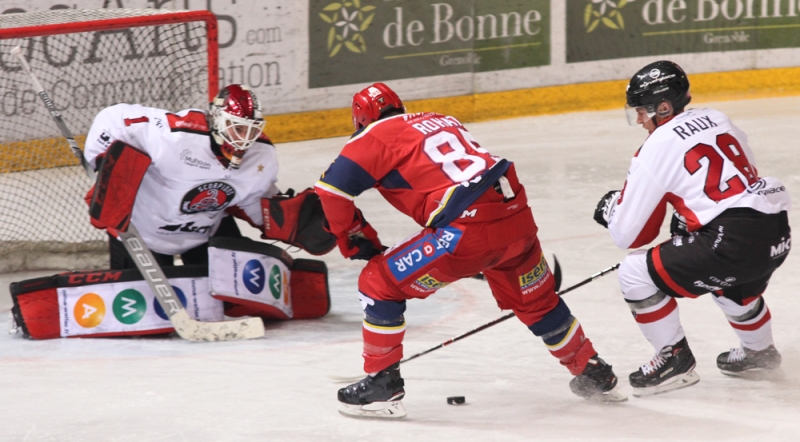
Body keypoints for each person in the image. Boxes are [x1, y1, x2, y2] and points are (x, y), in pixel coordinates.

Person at [316, 83, 626, 419]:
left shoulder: (371, 136)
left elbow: (331, 190)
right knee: (537, 302)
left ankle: (381, 385)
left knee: (378, 282)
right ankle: (592, 370)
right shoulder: (440, 119)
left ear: (360, 119)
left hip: (466, 232)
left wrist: (351, 239)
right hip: (517, 218)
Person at [594, 60, 791, 397]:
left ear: (664, 107)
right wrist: (694, 220)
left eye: (642, 110)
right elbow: (739, 179)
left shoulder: (655, 148)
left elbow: (629, 235)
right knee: (735, 284)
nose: (639, 119)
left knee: (633, 273)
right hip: (775, 231)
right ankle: (759, 353)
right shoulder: (717, 118)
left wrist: (612, 208)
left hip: (730, 240)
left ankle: (674, 360)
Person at [84, 84, 280, 269]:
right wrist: (105, 167)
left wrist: (284, 219)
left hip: (204, 236)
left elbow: (254, 198)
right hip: (141, 234)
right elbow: (112, 119)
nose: (244, 139)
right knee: (142, 304)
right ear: (217, 118)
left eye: (252, 130)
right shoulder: (175, 135)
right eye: (237, 128)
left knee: (227, 303)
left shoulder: (261, 155)